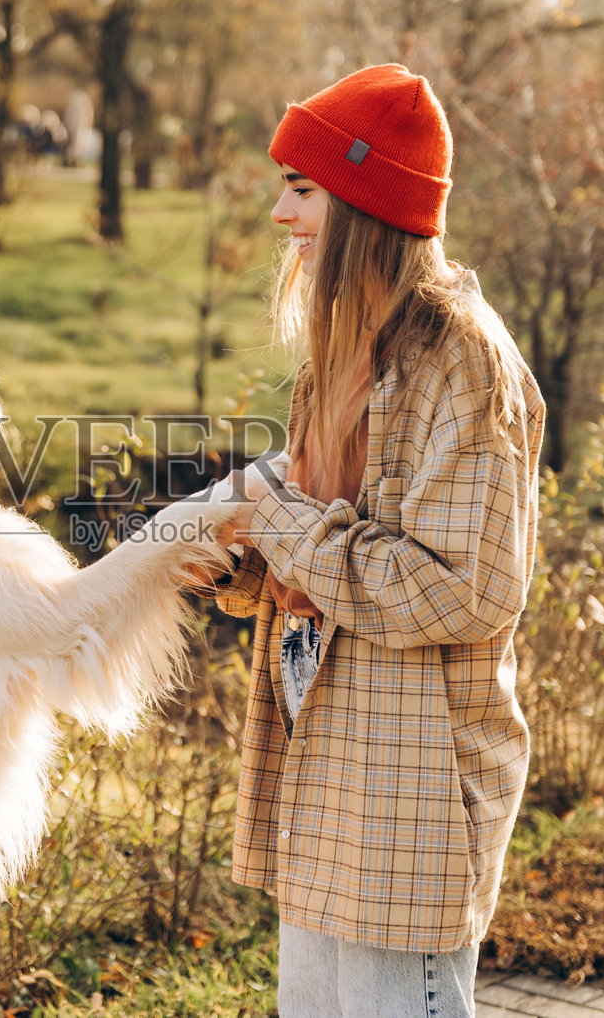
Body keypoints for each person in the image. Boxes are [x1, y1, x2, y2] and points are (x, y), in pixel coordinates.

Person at [203, 64, 546, 1017]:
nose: (281, 213)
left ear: (364, 203)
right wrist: (222, 546)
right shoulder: (349, 343)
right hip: (325, 758)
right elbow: (323, 534)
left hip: (412, 784)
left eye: (301, 189)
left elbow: (462, 588)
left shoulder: (461, 360)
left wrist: (271, 515)